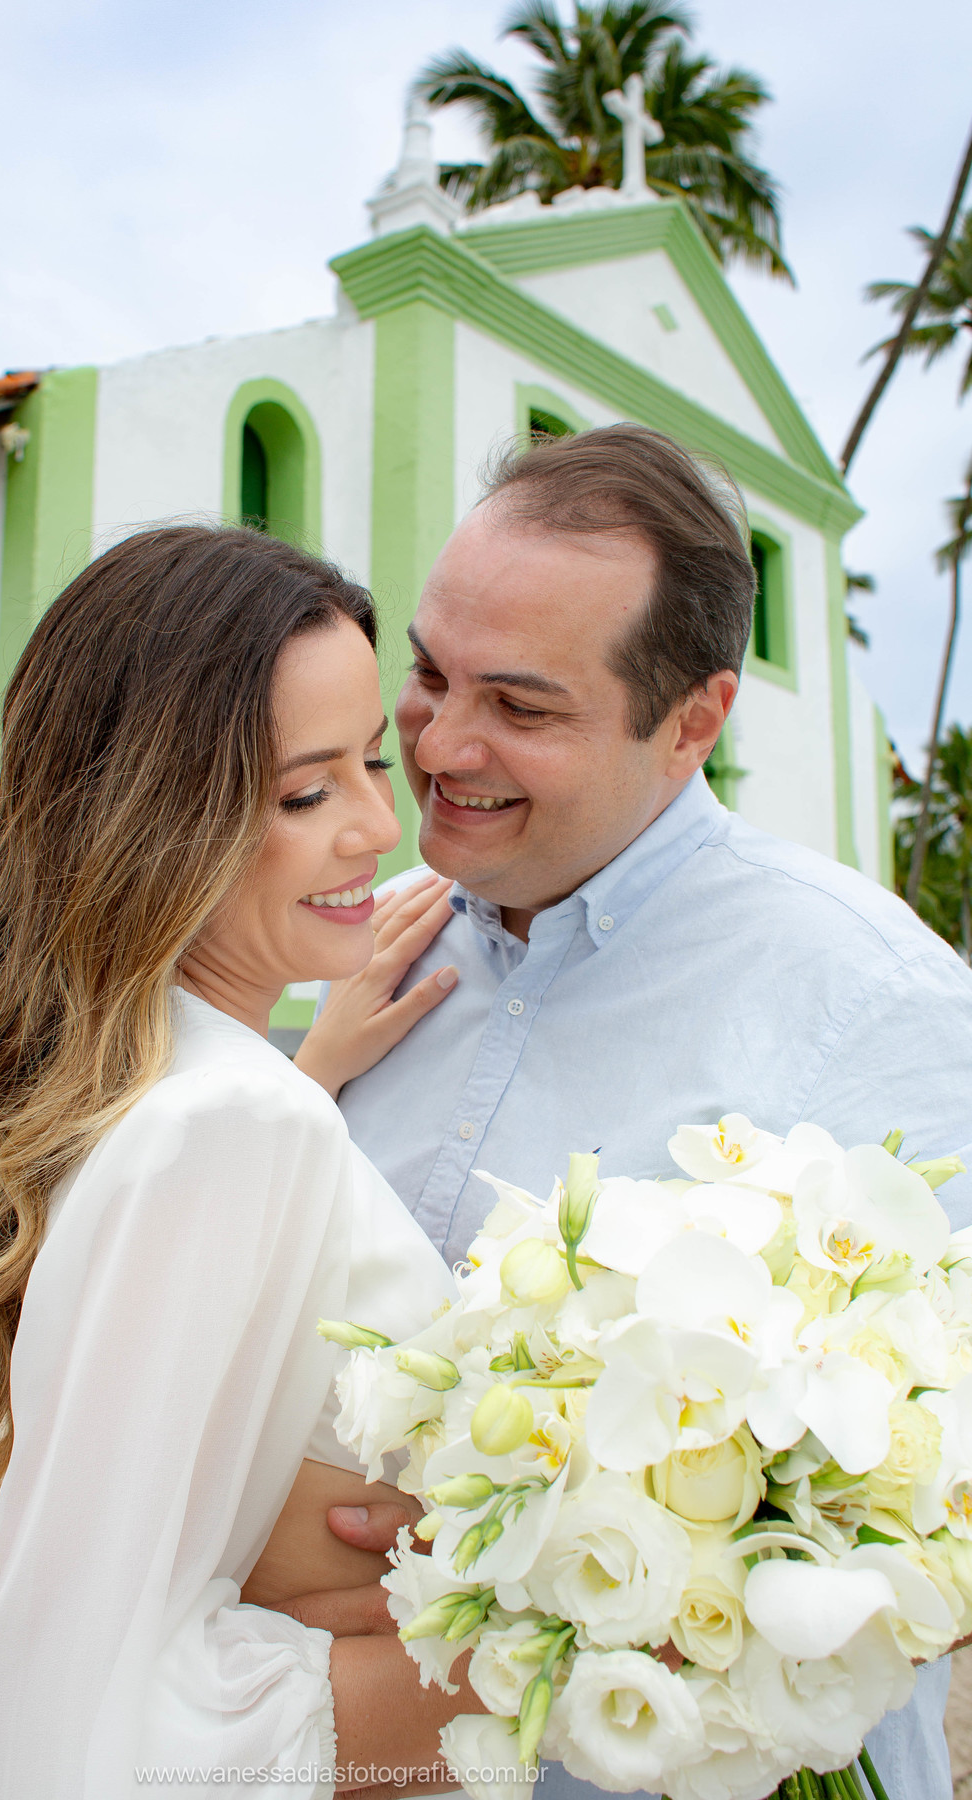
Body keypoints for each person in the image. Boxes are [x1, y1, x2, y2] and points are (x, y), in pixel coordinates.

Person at [298, 424, 972, 1800]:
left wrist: (542, 1560)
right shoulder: (368, 956)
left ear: (695, 721)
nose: (441, 742)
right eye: (429, 674)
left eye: (523, 707)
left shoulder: (877, 1002)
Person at [0, 525, 479, 1800]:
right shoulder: (233, 1124)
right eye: (307, 792)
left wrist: (300, 1069)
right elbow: (63, 1739)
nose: (381, 822)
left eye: (374, 762)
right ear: (158, 815)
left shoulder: (188, 1095)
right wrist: (562, 1652)